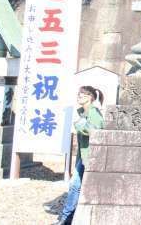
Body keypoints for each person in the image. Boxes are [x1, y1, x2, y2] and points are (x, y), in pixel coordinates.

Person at [57, 86, 104, 225]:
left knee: (75, 185)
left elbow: (96, 131)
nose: (79, 96)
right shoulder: (84, 113)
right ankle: (66, 218)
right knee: (75, 185)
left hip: (90, 155)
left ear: (91, 98)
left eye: (83, 95)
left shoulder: (94, 113)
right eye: (79, 94)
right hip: (83, 154)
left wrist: (80, 126)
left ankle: (66, 218)